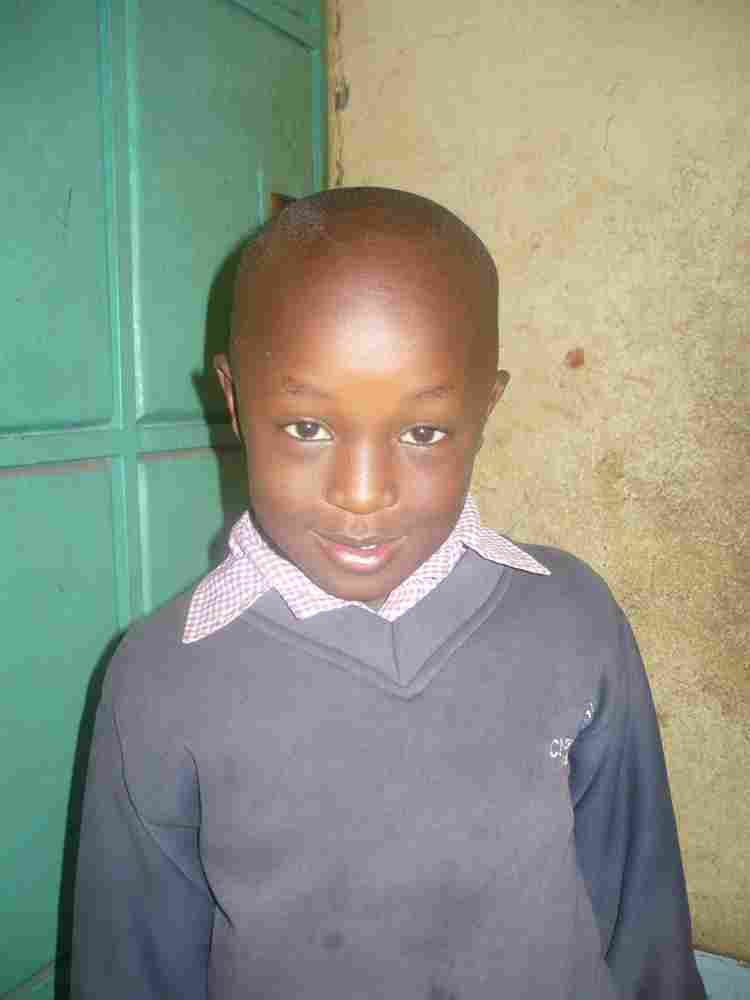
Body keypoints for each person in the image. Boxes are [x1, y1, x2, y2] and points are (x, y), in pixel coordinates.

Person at [72, 187, 705, 999]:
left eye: (423, 433)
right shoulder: (160, 676)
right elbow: (131, 967)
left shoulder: (575, 620)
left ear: (486, 407)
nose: (363, 493)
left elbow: (644, 917)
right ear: (232, 397)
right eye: (307, 428)